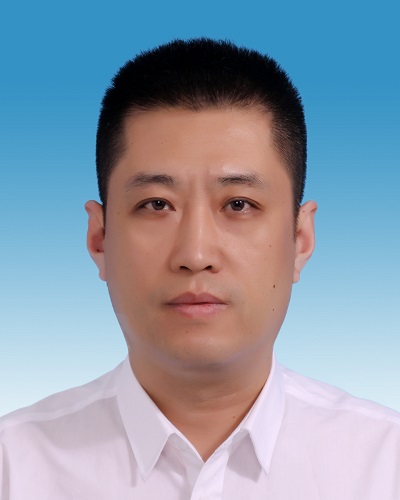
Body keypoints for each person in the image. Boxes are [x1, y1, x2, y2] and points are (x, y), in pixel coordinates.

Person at [0, 38, 399, 500]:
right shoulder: (13, 468)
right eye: (157, 204)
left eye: (238, 204)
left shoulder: (385, 467)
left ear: (301, 239)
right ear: (99, 238)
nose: (195, 253)